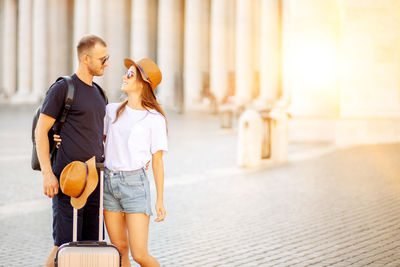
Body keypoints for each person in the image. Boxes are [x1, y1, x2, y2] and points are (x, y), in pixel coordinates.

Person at [35, 34, 109, 267]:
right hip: (68, 179)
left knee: (91, 246)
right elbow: (41, 131)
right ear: (85, 59)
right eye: (102, 59)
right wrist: (48, 174)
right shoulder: (63, 88)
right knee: (63, 247)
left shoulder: (99, 93)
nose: (106, 63)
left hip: (95, 180)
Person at [103, 58, 167, 267]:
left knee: (139, 254)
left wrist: (159, 200)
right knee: (119, 249)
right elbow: (97, 140)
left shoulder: (154, 118)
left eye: (130, 74)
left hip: (135, 186)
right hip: (108, 184)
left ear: (143, 83)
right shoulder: (111, 110)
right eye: (126, 72)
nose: (124, 76)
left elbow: (157, 162)